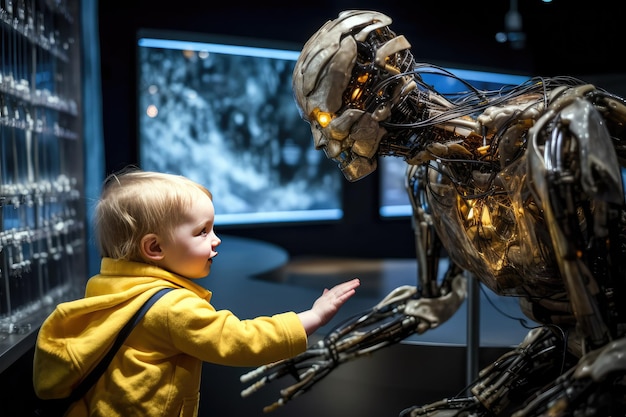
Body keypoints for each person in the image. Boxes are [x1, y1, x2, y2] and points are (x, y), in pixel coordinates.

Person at [32, 168, 360, 417]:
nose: (215, 240)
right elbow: (239, 340)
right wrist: (311, 317)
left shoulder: (109, 287)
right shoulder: (172, 308)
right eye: (202, 232)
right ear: (155, 247)